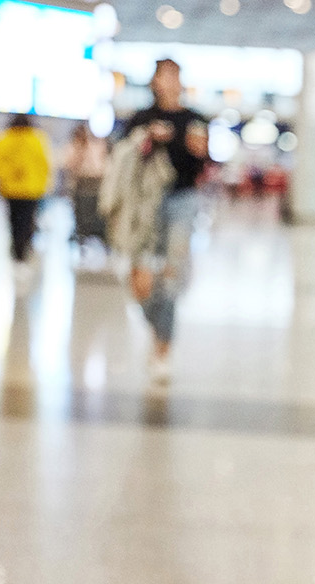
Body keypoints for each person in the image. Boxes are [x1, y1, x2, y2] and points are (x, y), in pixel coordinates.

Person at [122, 58, 209, 381]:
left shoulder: (194, 119)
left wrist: (197, 150)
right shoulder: (141, 119)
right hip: (145, 206)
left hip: (182, 201)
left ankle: (162, 347)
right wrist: (148, 139)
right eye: (164, 75)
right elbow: (123, 159)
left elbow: (200, 167)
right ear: (154, 81)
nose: (170, 82)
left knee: (171, 277)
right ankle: (159, 329)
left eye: (176, 75)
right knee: (141, 282)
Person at [0, 113, 50, 263]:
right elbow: (44, 164)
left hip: (10, 189)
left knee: (14, 221)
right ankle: (23, 250)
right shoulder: (37, 140)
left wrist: (8, 174)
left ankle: (16, 251)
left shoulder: (5, 139)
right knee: (27, 221)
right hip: (31, 189)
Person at [60, 122, 109, 256]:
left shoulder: (96, 146)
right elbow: (68, 165)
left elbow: (101, 166)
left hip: (95, 184)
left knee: (95, 214)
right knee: (80, 214)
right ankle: (81, 240)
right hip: (80, 185)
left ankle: (95, 239)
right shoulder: (72, 147)